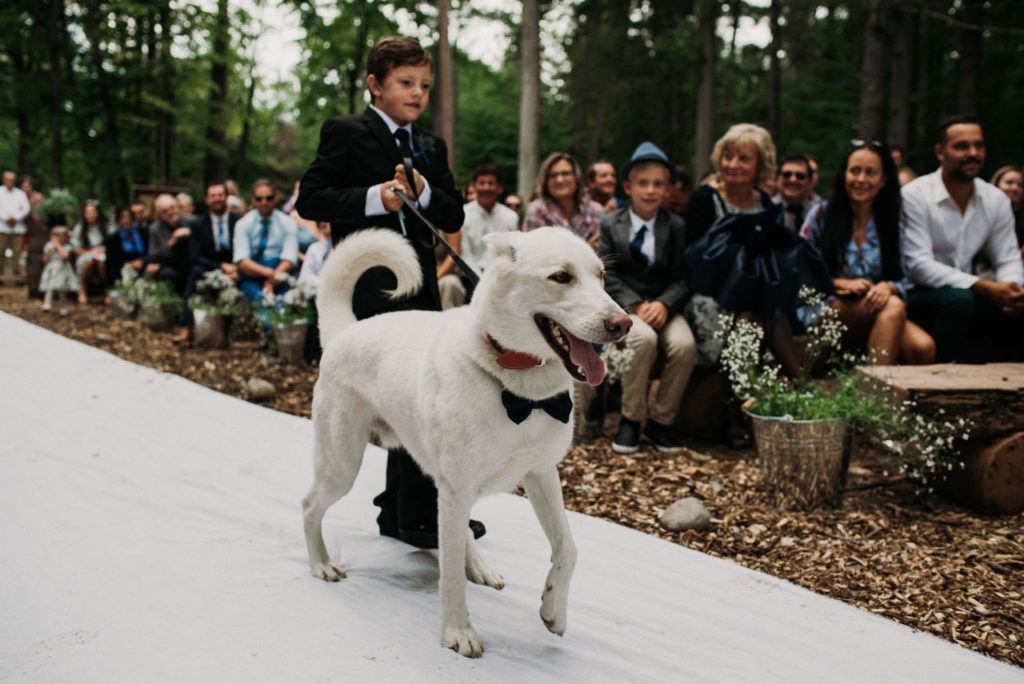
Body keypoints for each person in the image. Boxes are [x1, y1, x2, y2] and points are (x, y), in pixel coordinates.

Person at [295, 35, 474, 549]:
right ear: (375, 85)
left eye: (424, 85)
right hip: (369, 289)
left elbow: (455, 213)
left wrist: (426, 195)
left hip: (419, 286)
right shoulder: (346, 132)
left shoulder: (431, 146)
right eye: (405, 83)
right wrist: (377, 198)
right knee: (392, 395)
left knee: (423, 395)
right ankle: (411, 512)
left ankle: (405, 511)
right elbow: (312, 197)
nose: (417, 94)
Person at [598, 142, 697, 454]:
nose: (651, 190)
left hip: (665, 305)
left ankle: (661, 422)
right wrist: (637, 305)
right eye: (643, 183)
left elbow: (684, 275)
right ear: (628, 186)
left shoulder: (677, 226)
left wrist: (665, 303)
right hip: (627, 306)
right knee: (643, 339)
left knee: (684, 345)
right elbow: (607, 272)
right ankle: (631, 418)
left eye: (658, 184)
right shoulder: (611, 224)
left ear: (668, 188)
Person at [800, 140, 935, 365]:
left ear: (883, 181)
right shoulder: (822, 215)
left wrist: (888, 286)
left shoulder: (892, 221)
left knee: (923, 348)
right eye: (855, 171)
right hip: (826, 307)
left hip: (876, 307)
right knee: (893, 306)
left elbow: (903, 277)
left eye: (870, 173)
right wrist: (840, 284)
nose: (861, 179)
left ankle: (873, 379)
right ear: (844, 175)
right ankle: (874, 394)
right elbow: (800, 272)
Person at [901, 115, 1024, 362]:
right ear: (940, 151)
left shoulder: (995, 199)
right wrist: (984, 286)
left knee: (1014, 305)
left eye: (978, 145)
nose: (973, 153)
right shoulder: (915, 195)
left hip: (969, 294)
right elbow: (918, 265)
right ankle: (943, 382)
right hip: (919, 295)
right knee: (958, 301)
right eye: (961, 146)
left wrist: (1012, 291)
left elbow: (1008, 257)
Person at [436, 163, 520, 306]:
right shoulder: (463, 214)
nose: (486, 187)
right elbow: (464, 255)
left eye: (491, 183)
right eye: (482, 183)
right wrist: (482, 283)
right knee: (449, 285)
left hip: (499, 278)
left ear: (499, 188)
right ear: (474, 187)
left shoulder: (510, 217)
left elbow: (511, 254)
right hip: (468, 277)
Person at [177, 182, 240, 344]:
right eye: (213, 196)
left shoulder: (239, 222)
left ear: (226, 197)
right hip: (208, 266)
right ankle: (187, 326)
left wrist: (235, 267)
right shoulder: (198, 224)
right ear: (206, 200)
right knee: (194, 272)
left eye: (220, 195)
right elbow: (195, 256)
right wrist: (221, 267)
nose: (217, 199)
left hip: (236, 265)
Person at [233, 179, 297, 304]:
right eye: (259, 198)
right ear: (252, 199)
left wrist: (274, 279)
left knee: (284, 304)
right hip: (253, 273)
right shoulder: (243, 224)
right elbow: (242, 261)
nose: (264, 202)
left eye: (269, 198)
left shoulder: (288, 223)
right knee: (261, 303)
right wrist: (270, 274)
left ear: (276, 198)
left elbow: (290, 259)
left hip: (280, 272)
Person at [524, 152, 602, 249]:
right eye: (553, 175)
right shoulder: (537, 210)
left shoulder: (595, 209)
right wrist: (585, 249)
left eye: (565, 173)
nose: (559, 180)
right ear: (545, 181)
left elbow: (604, 250)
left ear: (576, 177)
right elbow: (533, 252)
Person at [145, 193, 191, 295]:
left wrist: (190, 233)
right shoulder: (155, 229)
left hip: (190, 264)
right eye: (164, 211)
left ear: (178, 207)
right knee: (165, 274)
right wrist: (171, 243)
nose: (170, 212)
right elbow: (152, 256)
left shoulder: (191, 222)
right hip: (170, 267)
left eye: (172, 208)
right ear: (160, 215)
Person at [70, 200, 110, 304]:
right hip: (86, 256)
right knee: (89, 263)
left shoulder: (105, 227)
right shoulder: (80, 228)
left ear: (98, 213)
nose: (90, 215)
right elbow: (75, 249)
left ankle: (108, 290)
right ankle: (82, 290)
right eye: (87, 212)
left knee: (103, 263)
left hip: (102, 256)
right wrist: (91, 251)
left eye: (92, 212)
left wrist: (103, 249)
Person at [104, 206, 148, 289]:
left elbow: (148, 253)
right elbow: (111, 263)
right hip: (123, 271)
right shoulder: (113, 239)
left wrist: (143, 263)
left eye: (129, 217)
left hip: (143, 267)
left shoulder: (142, 233)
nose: (127, 220)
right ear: (119, 220)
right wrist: (131, 264)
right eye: (123, 217)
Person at [772, 152, 819, 231]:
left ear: (810, 181)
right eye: (787, 174)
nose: (793, 180)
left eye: (800, 176)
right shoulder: (765, 209)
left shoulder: (819, 214)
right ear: (777, 178)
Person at [0, 170, 30, 285]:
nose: (10, 182)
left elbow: (26, 209)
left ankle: (17, 278)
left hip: (17, 228)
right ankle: (1, 276)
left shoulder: (20, 194)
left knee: (17, 253)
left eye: (12, 180)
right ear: (4, 179)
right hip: (2, 227)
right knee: (0, 252)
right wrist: (6, 218)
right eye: (8, 179)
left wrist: (15, 218)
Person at [40, 226, 78, 315]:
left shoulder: (67, 246)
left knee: (62, 290)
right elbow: (45, 260)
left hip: (62, 270)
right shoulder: (49, 246)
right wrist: (48, 251)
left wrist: (57, 245)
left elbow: (65, 256)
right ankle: (47, 304)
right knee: (50, 288)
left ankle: (63, 307)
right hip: (52, 270)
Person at [990, 165, 1024, 253]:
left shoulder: (1021, 216)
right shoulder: (984, 211)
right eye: (1009, 183)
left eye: (1020, 185)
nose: (1015, 188)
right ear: (997, 184)